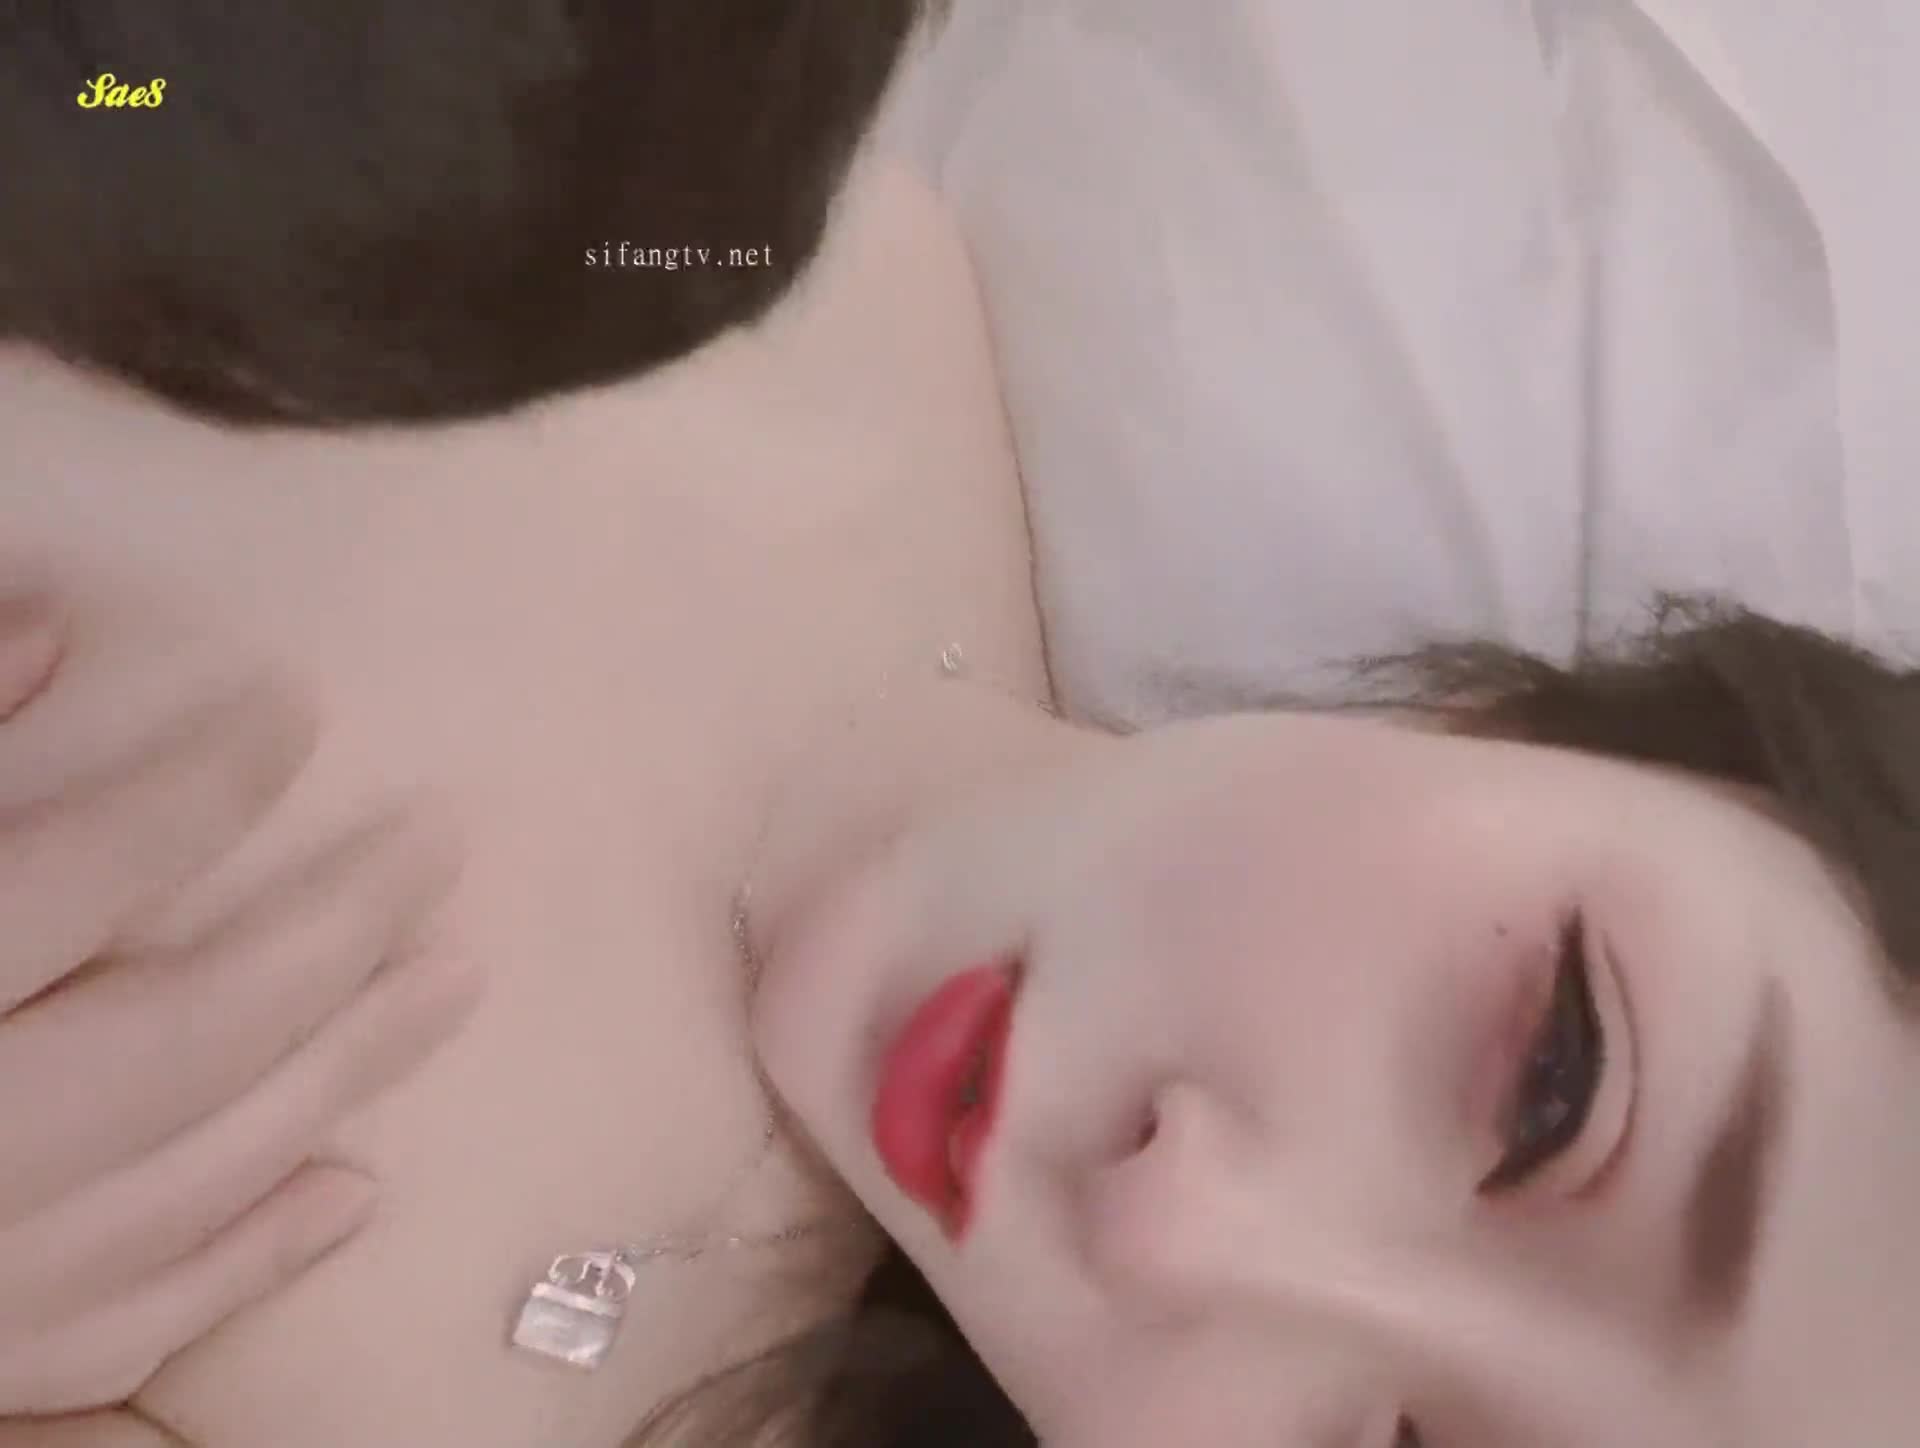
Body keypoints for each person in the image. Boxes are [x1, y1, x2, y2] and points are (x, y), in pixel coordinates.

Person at [4, 10, 1918, 1448]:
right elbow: (129, 90)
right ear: (1612, 745)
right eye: (1557, 1079)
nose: (1182, 1226)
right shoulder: (779, 254)